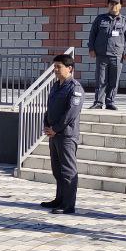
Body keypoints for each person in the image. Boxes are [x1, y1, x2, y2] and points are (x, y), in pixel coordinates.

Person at [41, 53, 84, 215]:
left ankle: (68, 204)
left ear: (70, 68)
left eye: (59, 67)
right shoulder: (56, 86)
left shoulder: (75, 88)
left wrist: (56, 128)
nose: (55, 70)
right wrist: (47, 124)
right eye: (54, 67)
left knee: (68, 171)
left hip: (66, 135)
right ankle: (59, 199)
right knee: (57, 170)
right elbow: (50, 108)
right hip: (54, 134)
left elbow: (71, 113)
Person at [87, 0, 126, 110]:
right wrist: (91, 49)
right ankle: (98, 102)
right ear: (107, 5)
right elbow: (92, 35)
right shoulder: (100, 19)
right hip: (102, 55)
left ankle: (110, 102)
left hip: (117, 56)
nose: (114, 5)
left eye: (116, 3)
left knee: (114, 80)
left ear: (120, 6)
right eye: (111, 3)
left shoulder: (125, 21)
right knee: (100, 80)